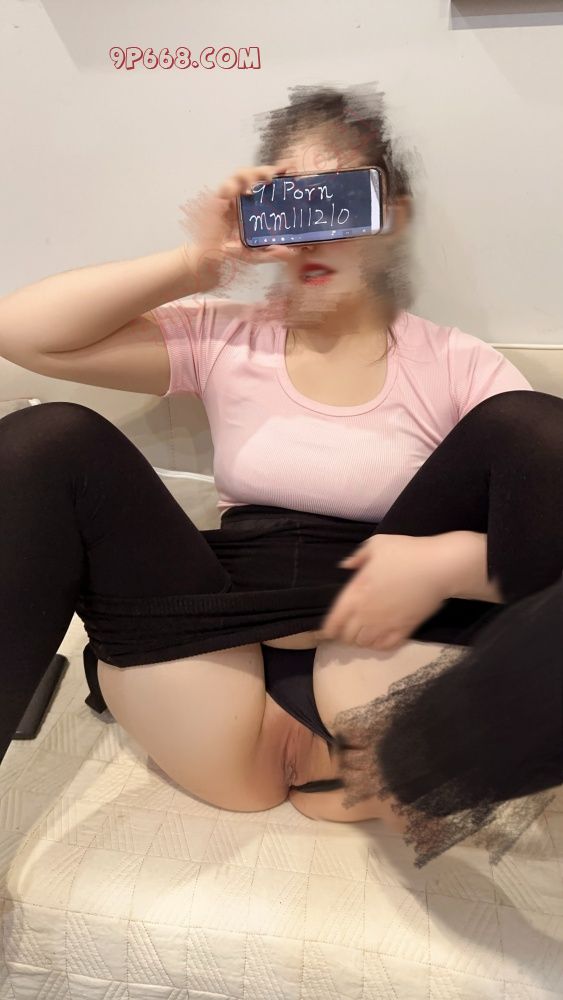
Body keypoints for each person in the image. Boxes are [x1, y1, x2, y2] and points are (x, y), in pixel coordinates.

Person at [1, 83, 562, 866]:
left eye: (337, 200)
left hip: (380, 641)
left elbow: (542, 537)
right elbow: (23, 334)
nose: (311, 234)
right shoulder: (227, 335)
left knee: (532, 426)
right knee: (45, 439)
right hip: (212, 649)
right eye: (290, 205)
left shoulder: (456, 364)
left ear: (391, 214)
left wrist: (447, 564)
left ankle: (420, 759)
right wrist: (197, 264)